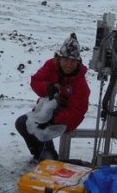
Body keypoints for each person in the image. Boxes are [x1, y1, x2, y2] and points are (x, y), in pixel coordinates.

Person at [15, 33, 90, 162]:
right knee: (22, 123)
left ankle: (49, 159)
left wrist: (54, 119)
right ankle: (39, 154)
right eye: (66, 60)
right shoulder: (51, 65)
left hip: (64, 119)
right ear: (59, 59)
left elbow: (78, 111)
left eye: (73, 61)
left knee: (43, 134)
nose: (68, 64)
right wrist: (47, 88)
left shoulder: (80, 83)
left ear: (78, 62)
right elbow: (36, 81)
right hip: (44, 111)